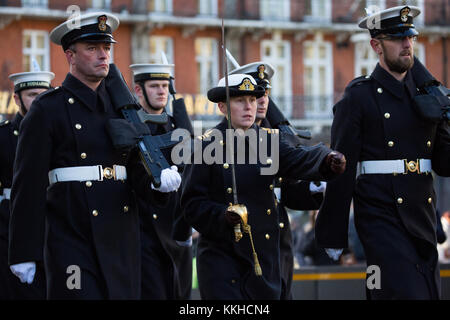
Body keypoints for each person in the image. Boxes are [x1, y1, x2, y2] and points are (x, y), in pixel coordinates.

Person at [8, 12, 181, 299]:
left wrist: (156, 183)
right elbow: (28, 184)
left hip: (121, 236)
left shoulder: (123, 109)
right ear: (70, 56)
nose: (103, 55)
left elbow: (134, 166)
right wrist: (24, 250)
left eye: (106, 48)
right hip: (72, 236)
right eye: (92, 48)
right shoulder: (48, 109)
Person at [315, 6, 450, 299]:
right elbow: (341, 168)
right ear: (376, 45)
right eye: (397, 38)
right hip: (381, 215)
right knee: (398, 292)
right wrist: (334, 233)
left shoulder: (430, 96)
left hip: (422, 214)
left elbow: (444, 163)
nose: (407, 44)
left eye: (410, 37)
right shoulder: (358, 97)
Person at [180, 73, 346, 300]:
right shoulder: (204, 146)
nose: (249, 107)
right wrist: (222, 215)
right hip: (223, 261)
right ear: (222, 107)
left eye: (252, 100)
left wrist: (326, 159)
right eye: (240, 101)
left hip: (263, 260)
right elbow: (191, 204)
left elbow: (299, 158)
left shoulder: (270, 141)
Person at [229, 61, 326, 299]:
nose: (262, 100)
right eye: (254, 95)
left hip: (279, 247)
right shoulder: (228, 142)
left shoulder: (280, 141)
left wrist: (314, 183)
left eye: (265, 94)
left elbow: (288, 192)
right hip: (244, 248)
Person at [130, 63, 192, 299]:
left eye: (165, 86)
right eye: (154, 86)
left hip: (178, 229)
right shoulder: (131, 126)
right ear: (138, 90)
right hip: (145, 230)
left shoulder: (177, 126)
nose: (161, 91)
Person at [0, 70, 54, 299]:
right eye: (33, 94)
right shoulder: (3, 136)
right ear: (16, 99)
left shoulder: (60, 134)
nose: (39, 100)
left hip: (55, 224)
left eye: (44, 94)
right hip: (10, 227)